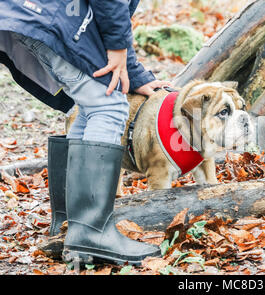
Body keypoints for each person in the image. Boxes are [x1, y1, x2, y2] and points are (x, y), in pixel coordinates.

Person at [0, 0, 171, 265]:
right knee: (108, 106)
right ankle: (91, 232)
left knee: (92, 104)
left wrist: (134, 73)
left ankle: (74, 225)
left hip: (36, 13)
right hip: (46, 15)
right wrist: (116, 46)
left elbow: (113, 14)